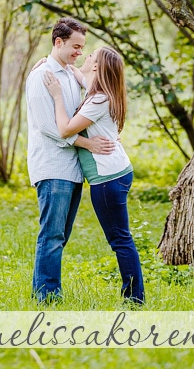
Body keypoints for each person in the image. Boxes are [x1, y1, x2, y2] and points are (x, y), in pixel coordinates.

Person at [43, 46, 145, 304]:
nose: (86, 57)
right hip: (115, 173)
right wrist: (47, 61)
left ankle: (135, 298)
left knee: (120, 239)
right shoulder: (97, 91)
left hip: (108, 179)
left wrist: (56, 96)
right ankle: (134, 296)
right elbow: (77, 72)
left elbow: (65, 130)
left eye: (91, 56)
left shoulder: (99, 100)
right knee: (120, 237)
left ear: (98, 67)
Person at [25, 17, 115, 303]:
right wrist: (88, 143)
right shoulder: (42, 76)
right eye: (75, 46)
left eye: (82, 47)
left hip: (72, 169)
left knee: (60, 236)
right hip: (52, 166)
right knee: (51, 235)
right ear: (58, 42)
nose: (79, 51)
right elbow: (49, 127)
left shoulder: (67, 73)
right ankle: (47, 298)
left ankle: (47, 292)